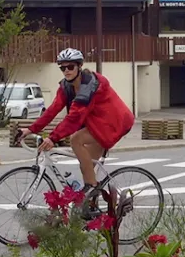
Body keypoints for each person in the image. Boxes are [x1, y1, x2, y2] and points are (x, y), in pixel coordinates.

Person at [16, 47, 135, 194]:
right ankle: (91, 201)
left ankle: (90, 188)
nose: (66, 71)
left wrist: (53, 138)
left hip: (115, 122)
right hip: (97, 123)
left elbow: (74, 119)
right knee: (86, 166)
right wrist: (30, 129)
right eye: (63, 68)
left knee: (76, 139)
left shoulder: (89, 86)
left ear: (79, 66)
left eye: (70, 67)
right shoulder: (66, 87)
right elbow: (52, 110)